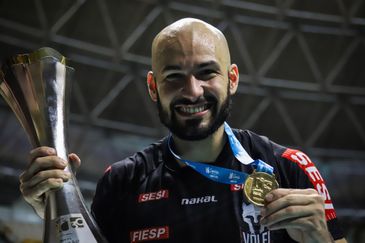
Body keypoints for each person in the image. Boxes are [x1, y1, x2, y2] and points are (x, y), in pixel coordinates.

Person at [19, 18, 347, 243]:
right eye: (174, 76)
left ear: (232, 79)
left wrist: (321, 238)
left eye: (207, 73)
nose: (192, 91)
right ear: (153, 86)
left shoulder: (290, 168)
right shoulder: (121, 183)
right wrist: (52, 210)